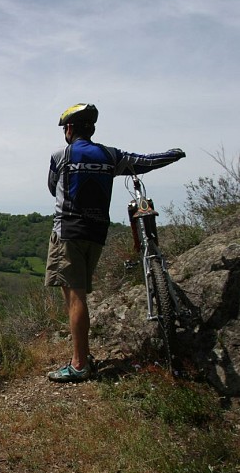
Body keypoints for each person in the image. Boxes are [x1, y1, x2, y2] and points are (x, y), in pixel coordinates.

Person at [45, 103, 185, 382]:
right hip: (97, 234)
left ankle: (80, 364)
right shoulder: (110, 155)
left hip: (68, 232)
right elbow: (144, 162)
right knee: (79, 295)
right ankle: (82, 354)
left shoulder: (61, 155)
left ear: (69, 129)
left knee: (74, 298)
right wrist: (174, 155)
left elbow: (52, 188)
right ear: (92, 129)